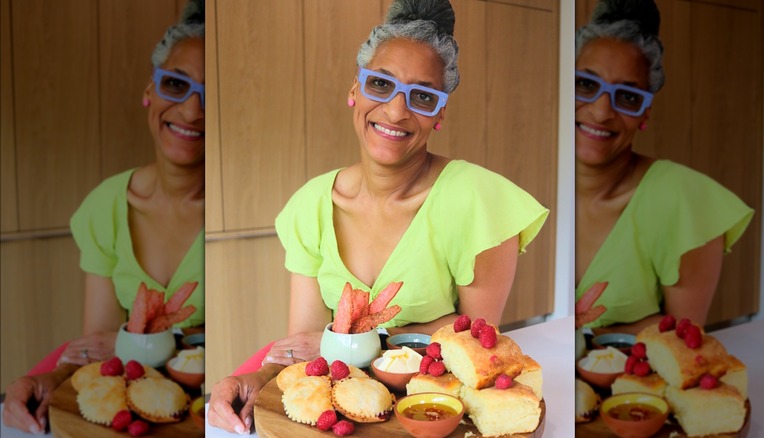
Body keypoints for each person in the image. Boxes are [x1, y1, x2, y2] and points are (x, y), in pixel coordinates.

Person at [208, 0, 549, 433]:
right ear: (355, 90)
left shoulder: (478, 200)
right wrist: (252, 380)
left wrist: (348, 344)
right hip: (346, 407)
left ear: (439, 113)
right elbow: (304, 347)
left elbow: (475, 340)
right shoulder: (311, 204)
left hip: (432, 407)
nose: (396, 110)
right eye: (380, 84)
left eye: (423, 96)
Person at [2, 1, 205, 434]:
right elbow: (96, 348)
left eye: (211, 94)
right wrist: (41, 380)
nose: (190, 111)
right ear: (148, 91)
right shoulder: (106, 205)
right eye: (175, 85)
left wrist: (138, 345)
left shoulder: (243, 215)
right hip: (131, 411)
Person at [574, 0, 753, 334]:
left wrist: (584, 335)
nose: (601, 112)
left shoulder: (684, 200)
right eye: (585, 84)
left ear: (645, 113)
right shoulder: (524, 187)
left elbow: (684, 334)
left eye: (627, 96)